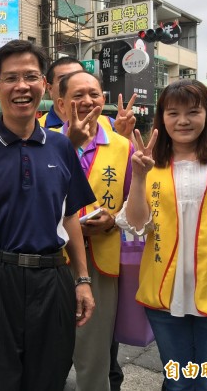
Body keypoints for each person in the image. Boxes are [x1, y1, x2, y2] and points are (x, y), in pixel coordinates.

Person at [0, 40, 96, 391]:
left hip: (52, 277)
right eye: (11, 78)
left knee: (49, 377)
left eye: (31, 76)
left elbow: (70, 216)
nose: (21, 86)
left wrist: (82, 279)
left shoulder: (60, 145)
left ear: (45, 85)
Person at [118, 79, 207, 391]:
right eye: (173, 113)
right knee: (177, 381)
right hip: (165, 297)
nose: (182, 121)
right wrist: (138, 177)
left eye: (193, 111)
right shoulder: (151, 164)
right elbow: (137, 225)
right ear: (161, 118)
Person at [57, 70, 134, 391]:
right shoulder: (46, 143)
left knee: (94, 359)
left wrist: (115, 219)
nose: (87, 101)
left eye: (94, 94)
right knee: (47, 352)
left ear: (103, 100)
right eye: (77, 95)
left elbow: (137, 204)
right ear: (61, 105)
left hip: (102, 264)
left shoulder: (123, 147)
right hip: (53, 263)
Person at [38, 56, 137, 141]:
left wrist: (127, 135)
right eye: (64, 78)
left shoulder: (111, 124)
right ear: (49, 88)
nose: (74, 82)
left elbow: (130, 159)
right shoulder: (37, 129)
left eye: (79, 75)